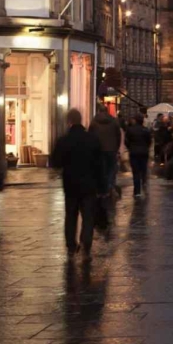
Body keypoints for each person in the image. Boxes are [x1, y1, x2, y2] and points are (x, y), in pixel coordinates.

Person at [52, 108, 106, 257]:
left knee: (71, 215)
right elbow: (99, 165)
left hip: (70, 184)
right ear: (81, 120)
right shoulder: (92, 139)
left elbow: (55, 162)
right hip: (89, 184)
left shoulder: (64, 140)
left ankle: (71, 245)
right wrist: (102, 186)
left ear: (69, 121)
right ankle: (86, 241)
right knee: (88, 215)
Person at [90, 105, 123, 199]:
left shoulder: (94, 122)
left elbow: (90, 136)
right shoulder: (114, 121)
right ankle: (109, 188)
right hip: (111, 149)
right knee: (111, 170)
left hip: (98, 150)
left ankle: (101, 191)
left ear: (99, 111)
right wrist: (116, 148)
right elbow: (118, 136)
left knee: (100, 171)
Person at [123, 113, 152, 197]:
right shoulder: (146, 130)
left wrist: (130, 147)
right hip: (144, 152)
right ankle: (144, 183)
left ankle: (137, 191)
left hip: (134, 152)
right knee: (143, 170)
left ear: (135, 120)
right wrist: (145, 147)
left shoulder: (130, 130)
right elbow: (149, 141)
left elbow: (126, 141)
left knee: (135, 172)